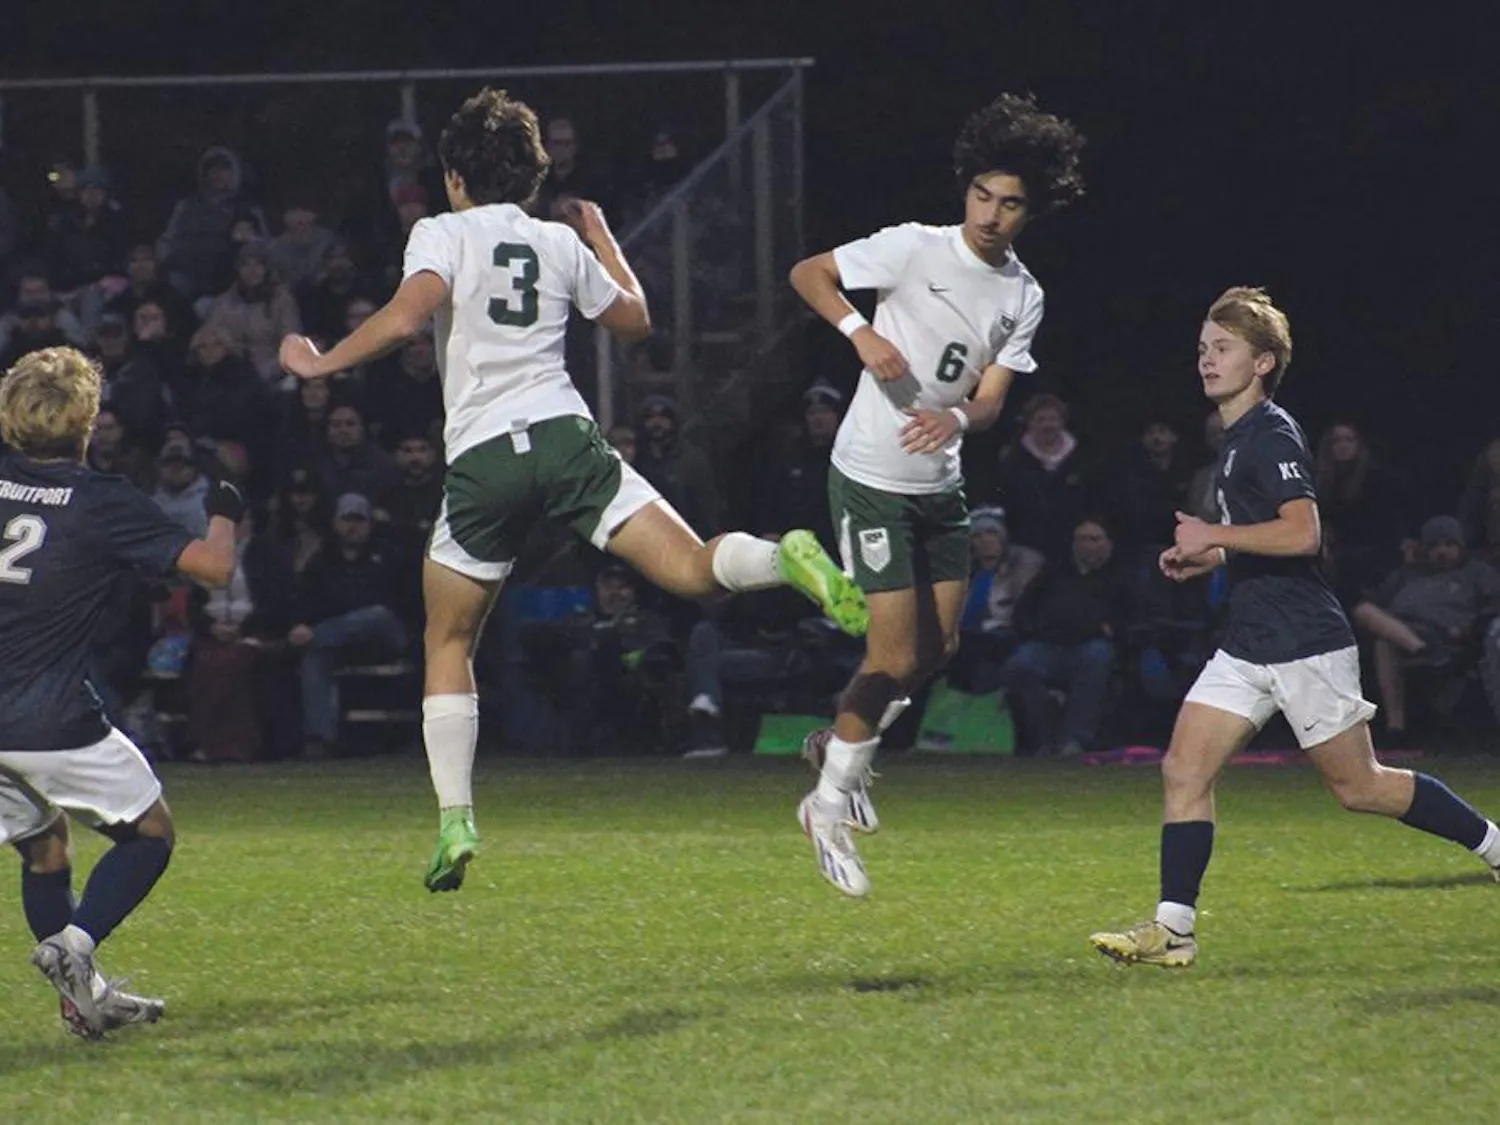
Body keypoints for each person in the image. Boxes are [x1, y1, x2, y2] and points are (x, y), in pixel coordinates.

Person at [278, 87, 866, 893]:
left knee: (449, 641)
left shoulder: (442, 231)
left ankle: (455, 818)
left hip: (485, 460)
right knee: (693, 568)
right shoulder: (556, 241)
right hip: (565, 439)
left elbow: (409, 316)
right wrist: (602, 237)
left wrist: (321, 361)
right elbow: (635, 320)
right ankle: (784, 558)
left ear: (455, 177)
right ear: (531, 177)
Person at [1089, 288, 1500, 968]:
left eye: (1223, 349)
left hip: (1304, 641)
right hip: (1249, 640)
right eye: (1203, 348)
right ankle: (1174, 928)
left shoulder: (1271, 433)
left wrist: (1214, 533)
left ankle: (1494, 845)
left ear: (1262, 363)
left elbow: (1304, 533)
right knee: (1184, 768)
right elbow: (1265, 537)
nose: (1206, 360)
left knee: (1360, 787)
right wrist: (1212, 556)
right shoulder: (1235, 438)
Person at [786, 92, 1085, 897]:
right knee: (891, 655)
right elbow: (809, 273)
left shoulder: (1023, 295)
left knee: (940, 648)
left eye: (1010, 203)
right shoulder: (915, 247)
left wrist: (955, 416)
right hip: (871, 478)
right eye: (982, 195)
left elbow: (989, 403)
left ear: (1030, 211)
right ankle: (827, 805)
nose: (991, 214)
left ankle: (837, 746)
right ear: (966, 190)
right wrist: (860, 332)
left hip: (940, 485)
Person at [0, 345, 241, 1037]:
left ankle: (85, 1000)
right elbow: (215, 568)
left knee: (47, 846)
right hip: (49, 718)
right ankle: (75, 945)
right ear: (88, 420)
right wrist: (225, 508)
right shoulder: (101, 500)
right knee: (151, 833)